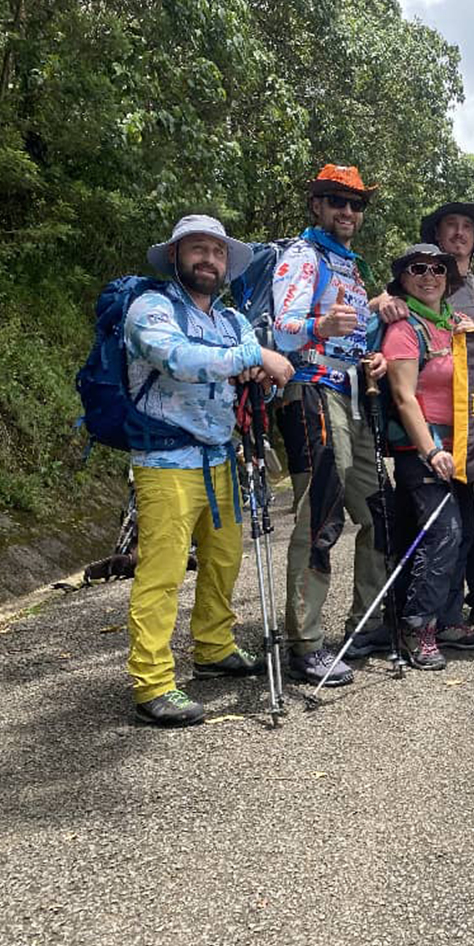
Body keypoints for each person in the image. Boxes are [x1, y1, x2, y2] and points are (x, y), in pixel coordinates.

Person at [125, 215, 293, 726]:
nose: (209, 260)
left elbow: (255, 381)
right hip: (164, 461)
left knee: (224, 559)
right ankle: (152, 683)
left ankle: (214, 647)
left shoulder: (231, 321)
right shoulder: (151, 307)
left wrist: (260, 374)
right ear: (175, 256)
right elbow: (176, 358)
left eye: (218, 252)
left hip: (221, 457)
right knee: (163, 573)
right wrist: (253, 355)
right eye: (198, 249)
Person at [272, 164, 386, 686]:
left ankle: (367, 623)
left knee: (378, 509)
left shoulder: (350, 267)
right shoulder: (303, 256)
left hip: (352, 394)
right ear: (316, 205)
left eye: (355, 204)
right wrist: (320, 325)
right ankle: (306, 643)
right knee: (320, 514)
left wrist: (371, 358)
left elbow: (352, 336)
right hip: (312, 391)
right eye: (336, 201)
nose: (347, 211)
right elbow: (282, 330)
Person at [374, 244, 474, 670]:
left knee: (463, 534)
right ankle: (417, 627)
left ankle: (449, 619)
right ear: (403, 278)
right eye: (418, 269)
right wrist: (431, 450)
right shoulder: (404, 329)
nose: (429, 276)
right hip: (423, 451)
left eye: (438, 269)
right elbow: (403, 397)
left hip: (464, 448)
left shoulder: (455, 323)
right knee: (442, 534)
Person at [418, 202, 474, 635]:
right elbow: (388, 310)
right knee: (443, 516)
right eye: (450, 226)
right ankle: (442, 603)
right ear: (437, 235)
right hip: (435, 416)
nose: (459, 233)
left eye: (467, 227)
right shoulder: (422, 279)